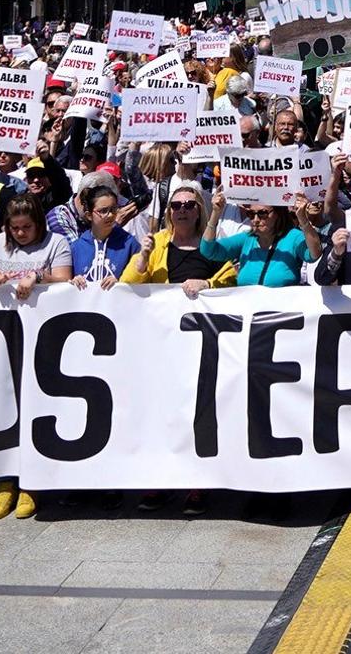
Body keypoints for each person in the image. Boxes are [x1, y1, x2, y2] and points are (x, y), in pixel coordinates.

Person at [121, 187, 236, 514]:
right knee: (162, 411)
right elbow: (128, 283)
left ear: (199, 210)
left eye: (189, 205)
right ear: (169, 210)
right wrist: (142, 258)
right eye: (176, 205)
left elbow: (231, 278)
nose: (182, 210)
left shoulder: (211, 246)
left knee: (196, 411)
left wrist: (208, 285)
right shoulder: (155, 243)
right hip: (161, 343)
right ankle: (159, 480)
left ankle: (196, 484)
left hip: (202, 342)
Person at [0, 194, 73, 521]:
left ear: (39, 224)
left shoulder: (56, 243)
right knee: (3, 407)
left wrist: (39, 278)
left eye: (26, 228)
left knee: (36, 407)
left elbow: (64, 281)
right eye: (14, 228)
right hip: (4, 334)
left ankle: (31, 485)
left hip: (42, 338)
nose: (20, 234)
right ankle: (4, 483)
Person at [201, 194, 322, 287]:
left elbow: (314, 254)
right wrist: (215, 214)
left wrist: (303, 219)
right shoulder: (247, 238)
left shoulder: (293, 237)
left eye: (262, 213)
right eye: (250, 214)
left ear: (278, 213)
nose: (255, 219)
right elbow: (208, 250)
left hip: (281, 315)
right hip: (249, 314)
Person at [70, 185, 141, 289]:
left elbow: (141, 279)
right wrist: (73, 281)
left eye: (113, 209)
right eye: (103, 211)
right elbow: (66, 283)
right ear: (89, 215)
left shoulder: (129, 243)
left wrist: (122, 282)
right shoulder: (76, 247)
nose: (110, 215)